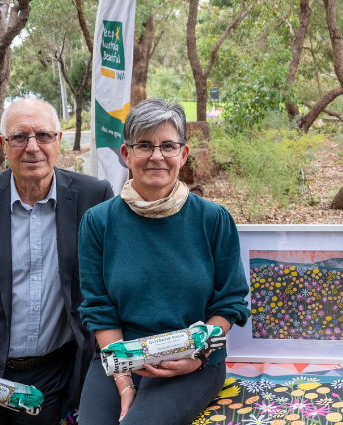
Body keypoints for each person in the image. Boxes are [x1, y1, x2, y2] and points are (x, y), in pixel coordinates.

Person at [77, 98, 250, 424]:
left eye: (167, 145)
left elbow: (230, 304)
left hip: (194, 361)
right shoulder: (98, 223)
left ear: (182, 155)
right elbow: (99, 309)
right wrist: (125, 383)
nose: (156, 156)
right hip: (121, 357)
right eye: (144, 145)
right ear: (126, 155)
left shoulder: (213, 219)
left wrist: (198, 356)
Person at [0, 99, 114, 424]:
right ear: (3, 144)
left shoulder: (93, 197)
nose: (32, 147)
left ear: (58, 139)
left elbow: (110, 283)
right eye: (19, 137)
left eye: (43, 135)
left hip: (53, 375)